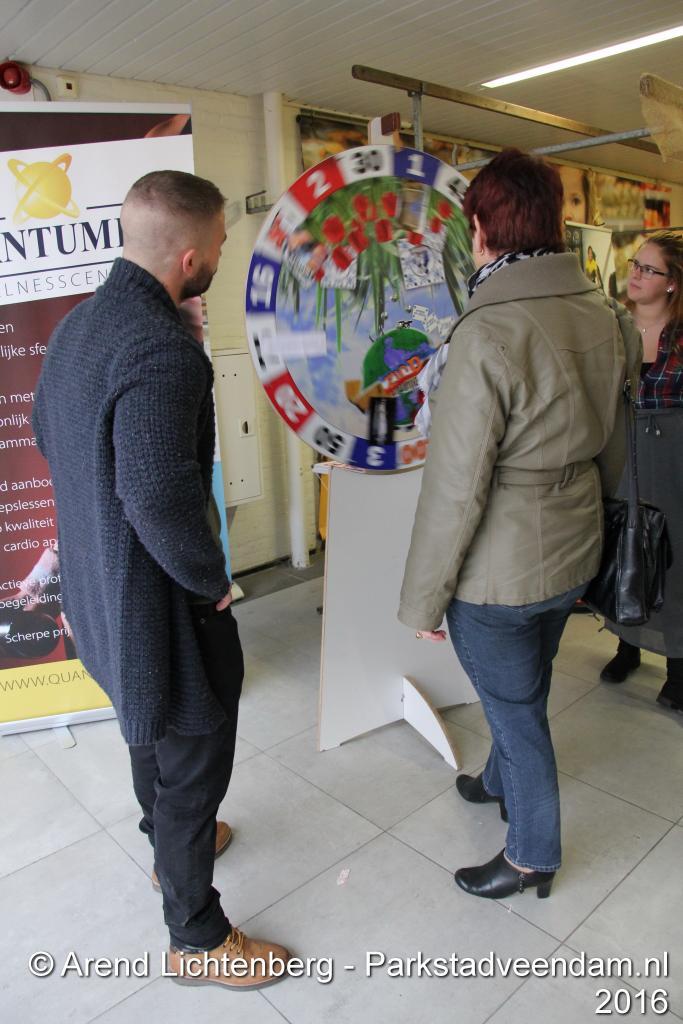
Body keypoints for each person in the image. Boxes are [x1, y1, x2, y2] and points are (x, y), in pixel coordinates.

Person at [32, 170, 290, 989]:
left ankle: (166, 844)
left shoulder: (79, 325)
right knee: (194, 756)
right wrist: (212, 582)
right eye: (219, 242)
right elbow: (156, 496)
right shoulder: (163, 348)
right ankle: (197, 938)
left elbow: (44, 432)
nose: (221, 253)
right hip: (157, 605)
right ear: (189, 256)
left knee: (148, 730)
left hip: (99, 590)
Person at [398, 149, 641, 902]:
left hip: (499, 571)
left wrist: (423, 600)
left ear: (480, 229)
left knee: (516, 711)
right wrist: (587, 520)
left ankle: (533, 854)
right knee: (525, 685)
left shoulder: (485, 333)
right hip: (572, 547)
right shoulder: (606, 315)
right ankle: (496, 780)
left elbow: (456, 486)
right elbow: (614, 448)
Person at [600, 232, 683, 713]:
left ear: (672, 283)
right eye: (636, 264)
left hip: (674, 454)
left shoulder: (681, 333)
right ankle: (626, 645)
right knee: (622, 547)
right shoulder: (613, 323)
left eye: (649, 269)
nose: (635, 274)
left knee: (675, 556)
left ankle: (678, 666)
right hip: (622, 448)